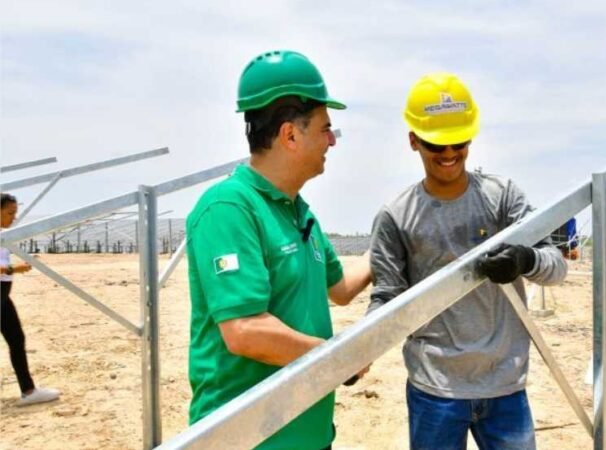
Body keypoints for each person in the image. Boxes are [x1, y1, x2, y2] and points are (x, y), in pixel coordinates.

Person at [368, 73, 568, 449]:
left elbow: (556, 267)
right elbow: (387, 297)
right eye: (436, 144)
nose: (449, 154)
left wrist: (525, 259)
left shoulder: (502, 198)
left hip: (504, 386)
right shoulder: (396, 216)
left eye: (458, 142)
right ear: (413, 140)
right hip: (435, 390)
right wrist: (357, 353)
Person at [185, 50, 372, 450]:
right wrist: (340, 358)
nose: (331, 140)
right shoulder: (229, 208)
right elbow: (245, 331)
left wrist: (392, 241)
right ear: (290, 135)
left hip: (310, 434)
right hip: (250, 440)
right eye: (325, 128)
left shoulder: (298, 212)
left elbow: (340, 289)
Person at [1, 193, 61, 406]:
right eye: (10, 213)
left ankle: (29, 391)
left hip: (3, 295)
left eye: (15, 213)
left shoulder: (3, 235)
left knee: (16, 339)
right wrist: (13, 268)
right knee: (16, 339)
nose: (13, 218)